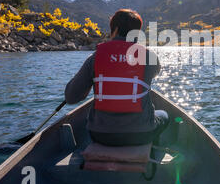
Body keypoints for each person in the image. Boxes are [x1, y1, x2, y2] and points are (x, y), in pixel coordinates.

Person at [64, 9, 169, 146]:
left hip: (100, 135)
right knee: (164, 115)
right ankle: (151, 152)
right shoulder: (149, 57)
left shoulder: (95, 57)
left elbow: (71, 98)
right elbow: (154, 73)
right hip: (141, 134)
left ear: (115, 29)